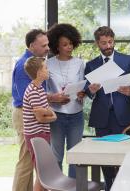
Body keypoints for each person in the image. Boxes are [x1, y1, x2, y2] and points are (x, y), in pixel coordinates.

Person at [85, 26, 130, 190]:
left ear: (114, 40)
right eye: (104, 43)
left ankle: (129, 186)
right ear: (98, 44)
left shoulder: (128, 60)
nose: (108, 46)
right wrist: (91, 91)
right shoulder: (91, 65)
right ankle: (110, 187)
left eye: (110, 42)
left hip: (126, 117)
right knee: (105, 159)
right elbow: (87, 91)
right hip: (102, 119)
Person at [12, 29, 69, 191]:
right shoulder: (25, 65)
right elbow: (28, 98)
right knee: (25, 162)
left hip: (32, 114)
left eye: (48, 44)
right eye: (44, 45)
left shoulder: (36, 64)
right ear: (32, 46)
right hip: (25, 114)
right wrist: (53, 99)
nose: (47, 48)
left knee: (32, 162)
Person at [46, 23, 85, 178]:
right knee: (56, 155)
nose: (69, 47)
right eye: (65, 44)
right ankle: (57, 186)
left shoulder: (80, 63)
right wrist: (54, 97)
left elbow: (82, 86)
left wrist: (83, 94)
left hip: (76, 114)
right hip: (56, 115)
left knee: (76, 155)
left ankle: (75, 187)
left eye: (70, 44)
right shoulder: (48, 64)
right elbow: (45, 90)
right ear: (57, 45)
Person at [23, 57, 57, 191]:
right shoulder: (32, 91)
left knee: (44, 174)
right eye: (45, 68)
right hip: (35, 136)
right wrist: (53, 116)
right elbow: (41, 118)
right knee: (42, 175)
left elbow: (47, 113)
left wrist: (49, 112)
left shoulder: (40, 89)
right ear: (39, 72)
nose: (48, 70)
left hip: (43, 134)